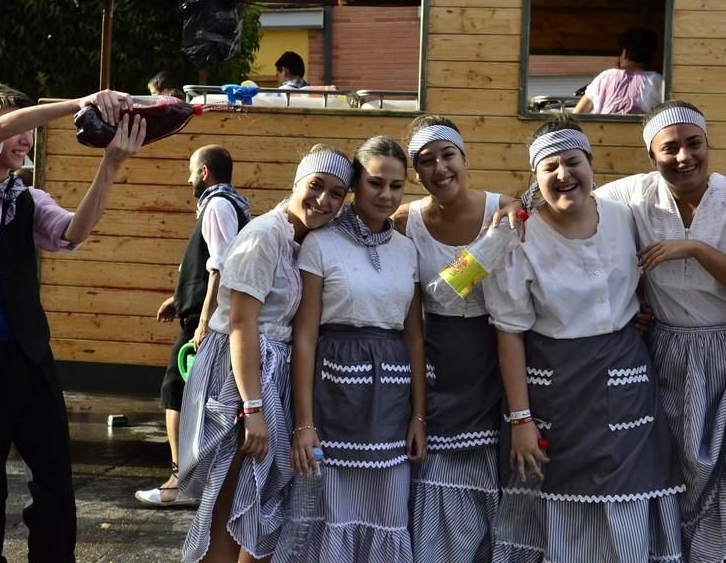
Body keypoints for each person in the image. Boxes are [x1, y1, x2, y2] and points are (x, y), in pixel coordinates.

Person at [0, 83, 146, 563]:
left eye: (28, 131)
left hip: (27, 352)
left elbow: (73, 232)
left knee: (56, 478)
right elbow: (1, 128)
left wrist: (113, 164)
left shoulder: (28, 197)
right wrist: (82, 103)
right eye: (21, 128)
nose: (25, 140)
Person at [591, 100, 726, 563]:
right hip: (670, 355)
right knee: (677, 489)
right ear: (651, 156)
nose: (684, 157)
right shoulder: (631, 196)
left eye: (693, 144)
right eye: (669, 149)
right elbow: (563, 194)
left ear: (707, 143)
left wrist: (697, 249)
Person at [484, 118, 684, 562]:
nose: (563, 174)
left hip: (628, 384)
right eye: (549, 166)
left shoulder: (622, 213)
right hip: (556, 390)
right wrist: (521, 421)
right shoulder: (516, 236)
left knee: (630, 500)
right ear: (534, 177)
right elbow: (509, 332)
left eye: (573, 161)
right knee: (558, 509)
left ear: (591, 165)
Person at [177, 145, 353, 563]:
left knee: (256, 505)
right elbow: (241, 324)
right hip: (239, 377)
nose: (323, 201)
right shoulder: (264, 235)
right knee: (228, 499)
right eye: (315, 187)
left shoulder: (304, 236)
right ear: (296, 182)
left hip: (270, 373)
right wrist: (252, 408)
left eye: (336, 193)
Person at [277, 136, 425, 563]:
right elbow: (305, 337)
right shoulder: (322, 243)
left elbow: (414, 337)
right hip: (334, 397)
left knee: (386, 515)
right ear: (358, 185)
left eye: (396, 186)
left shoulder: (406, 249)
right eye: (376, 183)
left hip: (391, 405)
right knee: (330, 513)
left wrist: (419, 416)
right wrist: (304, 424)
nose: (386, 195)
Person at [393, 116, 514, 562]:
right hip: (439, 362)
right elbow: (414, 313)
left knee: (498, 482)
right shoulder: (406, 221)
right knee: (439, 486)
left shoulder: (503, 208)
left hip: (497, 356)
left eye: (448, 156)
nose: (440, 168)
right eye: (426, 162)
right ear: (417, 173)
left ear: (465, 159)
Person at [136, 145, 251, 508]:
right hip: (203, 317)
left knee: (177, 393)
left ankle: (180, 482)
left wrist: (202, 320)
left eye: (190, 172)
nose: (187, 180)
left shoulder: (217, 205)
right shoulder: (224, 205)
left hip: (205, 326)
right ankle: (195, 481)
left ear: (204, 173)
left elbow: (220, 265)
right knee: (191, 397)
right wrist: (179, 298)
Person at [572, 28, 663, 115]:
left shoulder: (605, 77)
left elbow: (577, 113)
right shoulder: (658, 81)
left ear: (624, 52)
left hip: (602, 130)